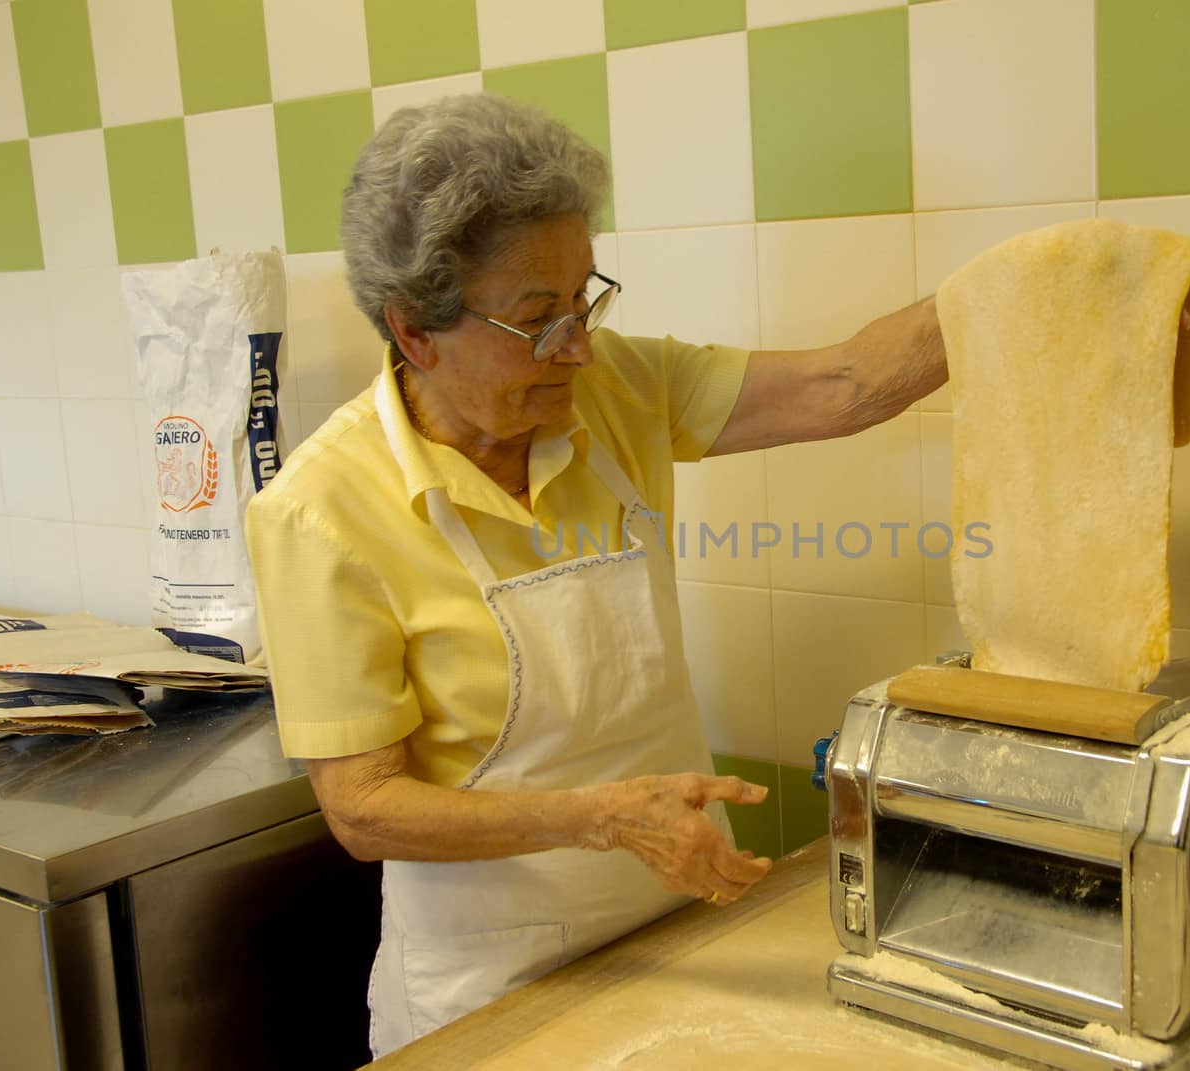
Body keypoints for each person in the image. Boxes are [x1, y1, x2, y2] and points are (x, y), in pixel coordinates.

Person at [244, 92, 946, 1057]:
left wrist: (1035, 284)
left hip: (678, 934)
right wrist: (606, 818)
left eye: (586, 298)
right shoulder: (321, 512)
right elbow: (364, 809)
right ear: (414, 331)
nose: (577, 345)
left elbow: (847, 385)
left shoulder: (616, 389)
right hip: (487, 992)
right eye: (538, 320)